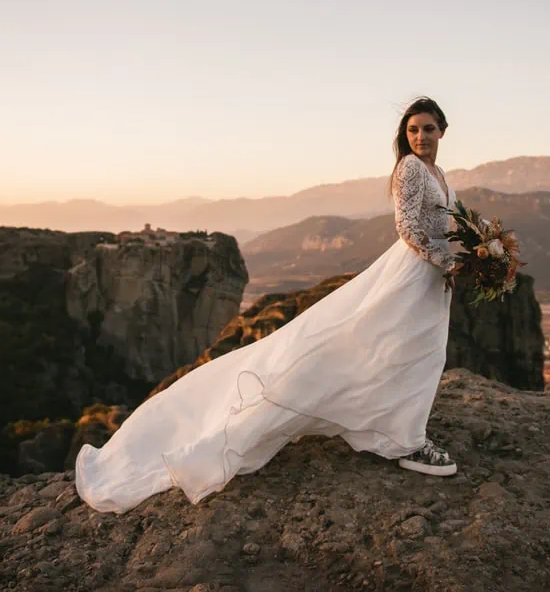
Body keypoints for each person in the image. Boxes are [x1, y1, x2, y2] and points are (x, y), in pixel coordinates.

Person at [75, 96, 463, 513]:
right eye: (413, 130)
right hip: (410, 274)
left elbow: (447, 225)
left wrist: (472, 255)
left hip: (430, 277)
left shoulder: (438, 173)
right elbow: (407, 227)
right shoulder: (408, 169)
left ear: (442, 130)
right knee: (395, 349)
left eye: (427, 128)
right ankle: (405, 440)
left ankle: (397, 427)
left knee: (413, 352)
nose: (420, 136)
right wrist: (452, 261)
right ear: (405, 136)